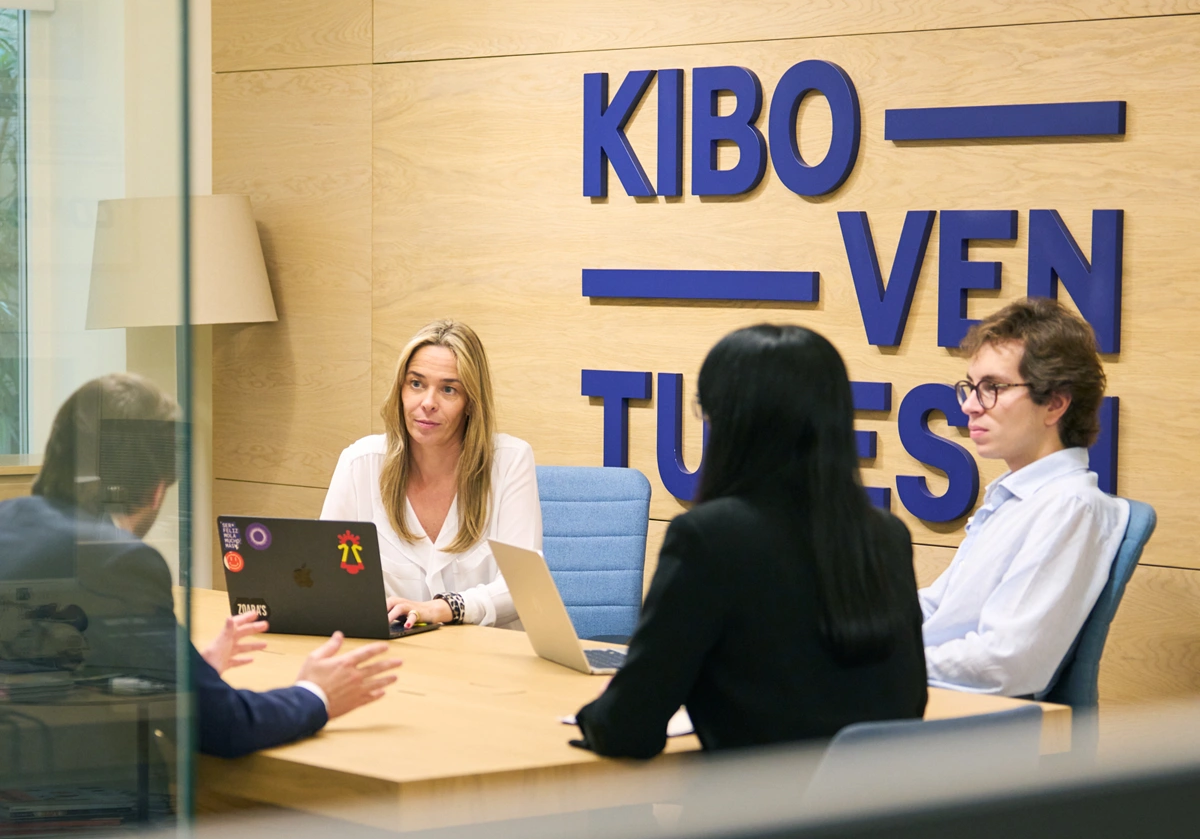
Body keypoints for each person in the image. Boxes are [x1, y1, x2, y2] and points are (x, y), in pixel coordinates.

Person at [0, 374, 402, 759]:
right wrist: (316, 693)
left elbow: (59, 670)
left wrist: (188, 671)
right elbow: (225, 727)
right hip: (82, 797)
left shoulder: (8, 521)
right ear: (158, 490)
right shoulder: (117, 561)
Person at [574, 324, 927, 759]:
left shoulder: (708, 538)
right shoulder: (887, 535)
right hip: (882, 800)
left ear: (728, 422)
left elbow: (628, 730)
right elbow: (910, 702)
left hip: (759, 800)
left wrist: (599, 713)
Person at [920, 296, 1130, 697]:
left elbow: (1007, 661)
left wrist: (889, 663)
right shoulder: (1014, 497)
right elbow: (941, 608)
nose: (969, 406)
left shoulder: (1070, 507)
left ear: (1055, 403)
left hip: (975, 722)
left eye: (993, 388)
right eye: (971, 387)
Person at [320, 318, 540, 629]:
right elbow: (327, 577)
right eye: (416, 384)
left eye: (449, 389)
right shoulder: (360, 463)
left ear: (471, 403)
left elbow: (522, 587)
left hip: (485, 652)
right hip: (392, 651)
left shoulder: (510, 461)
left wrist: (443, 608)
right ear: (400, 389)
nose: (427, 403)